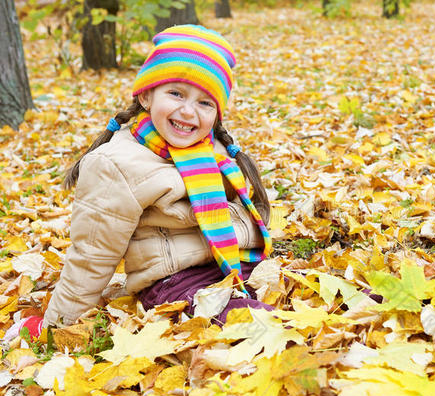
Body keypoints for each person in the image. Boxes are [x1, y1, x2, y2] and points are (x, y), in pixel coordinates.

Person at [11, 25, 273, 339]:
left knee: (293, 303)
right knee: (257, 326)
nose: (188, 111)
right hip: (175, 282)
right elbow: (91, 257)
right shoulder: (116, 165)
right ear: (147, 95)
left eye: (205, 103)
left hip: (234, 265)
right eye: (176, 93)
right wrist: (56, 329)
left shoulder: (210, 150)